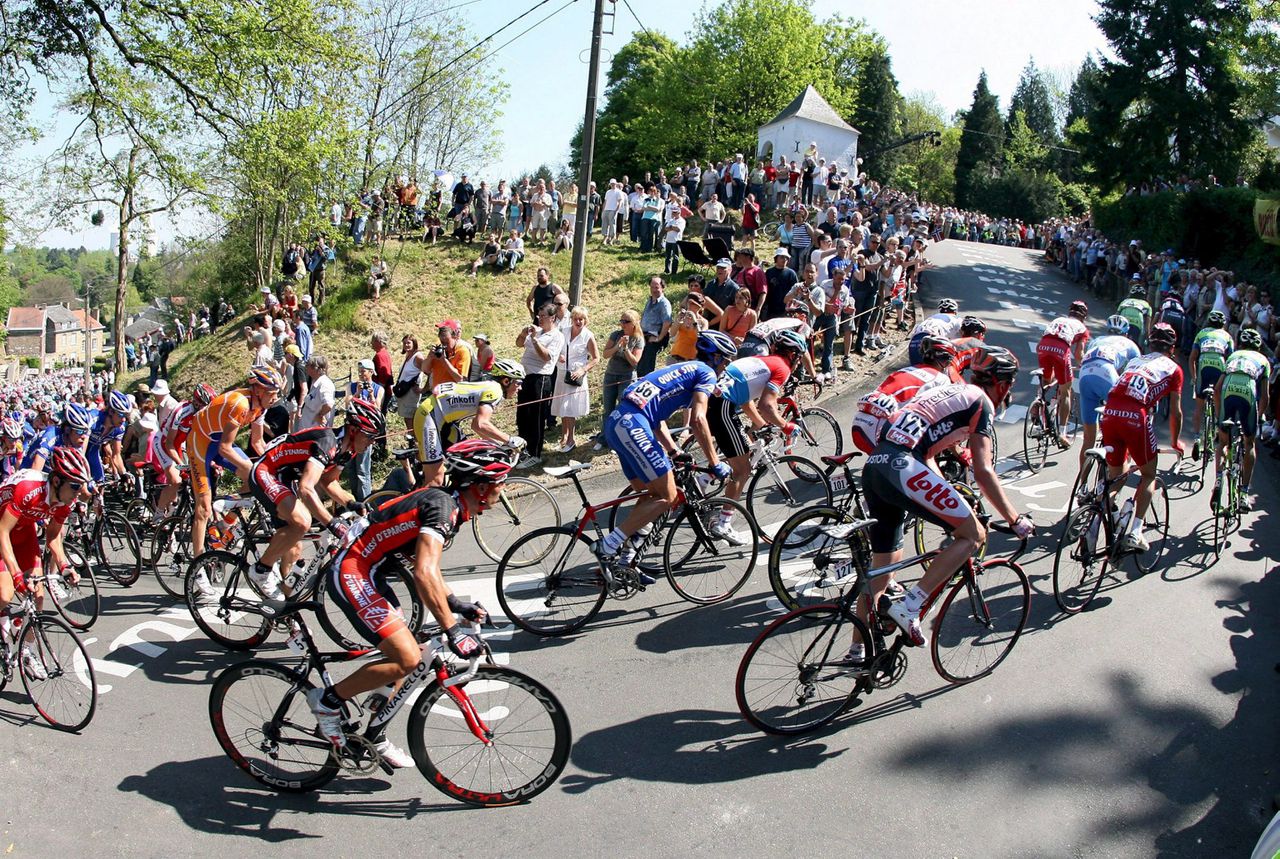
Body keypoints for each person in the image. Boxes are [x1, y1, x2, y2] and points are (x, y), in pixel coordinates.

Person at [308, 440, 515, 765]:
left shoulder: (451, 506)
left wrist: (456, 605)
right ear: (479, 487)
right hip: (354, 569)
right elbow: (423, 572)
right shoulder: (443, 508)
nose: (500, 495)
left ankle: (373, 731)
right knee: (406, 655)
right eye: (498, 487)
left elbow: (428, 570)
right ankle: (327, 702)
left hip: (374, 571)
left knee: (412, 650)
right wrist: (452, 628)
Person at [856, 347, 1034, 656]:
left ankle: (857, 652)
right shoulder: (981, 403)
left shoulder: (948, 391)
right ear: (1003, 385)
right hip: (901, 465)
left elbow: (926, 453)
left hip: (876, 466)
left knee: (883, 566)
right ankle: (911, 606)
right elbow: (983, 471)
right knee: (974, 534)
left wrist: (949, 494)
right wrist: (1014, 518)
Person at [597, 337, 732, 571]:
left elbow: (656, 418)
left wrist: (673, 450)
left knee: (650, 496)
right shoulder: (706, 373)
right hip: (633, 425)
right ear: (716, 358)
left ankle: (623, 560)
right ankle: (609, 545)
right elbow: (699, 420)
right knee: (669, 497)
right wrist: (714, 462)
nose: (725, 368)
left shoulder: (680, 368)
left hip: (618, 423)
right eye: (725, 362)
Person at [233, 400, 383, 603]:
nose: (372, 442)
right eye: (370, 436)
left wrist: (352, 503)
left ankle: (283, 607)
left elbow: (329, 482)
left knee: (294, 547)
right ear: (354, 429)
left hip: (285, 477)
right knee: (303, 521)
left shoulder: (348, 449)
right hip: (266, 470)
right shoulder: (328, 442)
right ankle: (260, 570)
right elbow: (306, 488)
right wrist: (332, 523)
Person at [707, 329, 808, 542]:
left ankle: (701, 481)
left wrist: (762, 424)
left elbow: (747, 400)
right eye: (799, 358)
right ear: (792, 355)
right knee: (743, 468)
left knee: (735, 452)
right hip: (722, 405)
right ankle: (723, 523)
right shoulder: (782, 367)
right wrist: (785, 425)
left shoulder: (762, 360)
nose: (799, 363)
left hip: (716, 400)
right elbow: (767, 405)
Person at [1098, 323, 1185, 553]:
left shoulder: (1135, 361)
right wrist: (1175, 442)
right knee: (1148, 475)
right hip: (1135, 416)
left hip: (1110, 412)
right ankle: (1136, 531)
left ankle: (1101, 510)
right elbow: (1175, 411)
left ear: (1149, 343)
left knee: (1116, 476)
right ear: (1172, 348)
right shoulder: (1174, 369)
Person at [0, 447, 88, 664]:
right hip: (3, 532)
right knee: (5, 594)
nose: (79, 492)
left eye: (81, 486)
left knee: (38, 594)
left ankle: (27, 651)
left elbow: (53, 538)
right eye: (75, 486)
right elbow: (2, 532)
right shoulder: (28, 489)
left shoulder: (64, 501)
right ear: (57, 481)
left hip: (24, 534)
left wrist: (65, 565)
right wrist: (16, 575)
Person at [187, 366, 280, 563]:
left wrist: (273, 467)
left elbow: (257, 442)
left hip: (219, 441)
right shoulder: (241, 404)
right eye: (272, 393)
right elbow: (225, 449)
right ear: (258, 390)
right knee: (203, 508)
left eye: (277, 394)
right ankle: (198, 564)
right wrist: (256, 469)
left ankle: (225, 524)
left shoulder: (260, 407)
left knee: (256, 477)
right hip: (201, 442)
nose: (274, 398)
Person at [413, 359, 525, 486]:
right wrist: (510, 440)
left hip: (445, 422)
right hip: (429, 417)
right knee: (436, 480)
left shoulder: (491, 387)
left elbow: (476, 426)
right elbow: (481, 424)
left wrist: (498, 445)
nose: (520, 388)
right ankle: (423, 500)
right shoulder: (495, 390)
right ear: (506, 381)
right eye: (518, 383)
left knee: (466, 458)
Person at [849, 336, 958, 454]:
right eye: (948, 362)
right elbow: (942, 415)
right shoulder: (940, 379)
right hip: (880, 428)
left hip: (859, 423)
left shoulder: (906, 370)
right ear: (944, 360)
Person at [1212, 327, 1271, 512]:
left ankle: (1219, 478)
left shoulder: (1233, 356)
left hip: (1228, 389)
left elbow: (1217, 389)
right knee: (1249, 443)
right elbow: (1265, 396)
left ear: (1241, 343)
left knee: (1223, 441)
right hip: (1248, 391)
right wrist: (1260, 415)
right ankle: (1244, 492)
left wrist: (1218, 417)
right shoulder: (1263, 360)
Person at [1076, 316, 1141, 467]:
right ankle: (1117, 461)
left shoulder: (1097, 340)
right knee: (1123, 417)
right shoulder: (1131, 344)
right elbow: (1135, 374)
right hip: (1106, 372)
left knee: (1088, 438)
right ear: (1126, 333)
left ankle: (1082, 484)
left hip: (1085, 374)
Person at [153, 383, 216, 518]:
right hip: (163, 442)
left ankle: (174, 510)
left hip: (179, 445)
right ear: (197, 403)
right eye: (206, 407)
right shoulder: (182, 411)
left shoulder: (202, 415)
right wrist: (180, 463)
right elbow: (169, 443)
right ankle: (158, 513)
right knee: (176, 481)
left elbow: (201, 441)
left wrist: (212, 461)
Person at [1035, 300, 1092, 448]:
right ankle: (1062, 432)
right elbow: (1079, 354)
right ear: (1084, 316)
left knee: (1047, 380)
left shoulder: (1057, 319)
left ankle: (1037, 406)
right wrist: (1083, 364)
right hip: (1061, 349)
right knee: (1065, 391)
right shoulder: (1082, 328)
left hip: (1043, 346)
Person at [515, 305, 564, 468]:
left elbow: (546, 357)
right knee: (522, 416)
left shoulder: (556, 336)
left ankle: (534, 453)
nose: (539, 318)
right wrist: (523, 334)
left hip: (540, 379)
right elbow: (518, 344)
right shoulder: (537, 331)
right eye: (538, 315)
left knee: (535, 417)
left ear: (552, 318)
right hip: (525, 377)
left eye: (543, 316)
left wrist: (535, 340)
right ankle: (522, 450)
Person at [594, 311, 644, 452]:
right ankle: (604, 438)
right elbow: (605, 354)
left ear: (634, 323)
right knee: (608, 409)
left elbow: (635, 362)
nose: (623, 324)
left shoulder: (638, 339)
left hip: (626, 377)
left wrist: (626, 348)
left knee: (623, 410)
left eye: (626, 321)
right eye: (621, 321)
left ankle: (621, 440)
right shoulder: (616, 335)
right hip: (611, 375)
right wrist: (617, 346)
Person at [551, 306, 598, 453]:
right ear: (571, 320)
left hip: (575, 376)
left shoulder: (588, 336)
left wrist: (583, 369)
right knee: (562, 408)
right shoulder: (563, 331)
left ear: (586, 320)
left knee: (569, 408)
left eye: (581, 319)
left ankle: (571, 440)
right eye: (576, 318)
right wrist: (558, 356)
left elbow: (596, 359)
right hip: (561, 373)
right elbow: (555, 348)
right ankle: (564, 438)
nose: (578, 321)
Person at [1189, 310, 1234, 461]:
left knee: (1199, 407)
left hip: (1203, 366)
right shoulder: (1227, 336)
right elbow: (1231, 360)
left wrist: (1194, 378)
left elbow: (1192, 358)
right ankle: (1216, 429)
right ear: (1222, 324)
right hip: (1219, 366)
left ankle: (1196, 437)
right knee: (1218, 404)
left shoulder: (1201, 333)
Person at [22, 403, 91, 472]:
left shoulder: (78, 440)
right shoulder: (51, 436)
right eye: (80, 431)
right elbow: (34, 472)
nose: (84, 437)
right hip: (29, 472)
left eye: (86, 431)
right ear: (67, 429)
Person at [87, 390, 131, 484]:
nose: (123, 419)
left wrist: (123, 473)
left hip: (93, 452)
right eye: (121, 414)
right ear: (111, 411)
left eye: (126, 415)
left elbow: (116, 455)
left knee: (100, 482)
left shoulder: (120, 428)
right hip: (77, 450)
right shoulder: (94, 419)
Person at [637, 276, 673, 376]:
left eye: (656, 287)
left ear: (662, 287)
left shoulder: (664, 303)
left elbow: (667, 323)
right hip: (644, 336)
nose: (654, 290)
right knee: (639, 363)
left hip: (653, 338)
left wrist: (658, 338)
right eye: (652, 287)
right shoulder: (650, 300)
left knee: (647, 366)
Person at [1117, 281, 1153, 349]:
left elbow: (1115, 317)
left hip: (1123, 321)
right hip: (1137, 323)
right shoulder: (1147, 305)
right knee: (1135, 345)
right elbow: (1147, 325)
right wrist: (1148, 338)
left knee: (1119, 343)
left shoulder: (1124, 301)